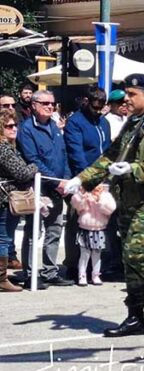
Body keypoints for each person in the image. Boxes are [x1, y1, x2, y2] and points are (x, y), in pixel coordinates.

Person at [59, 73, 144, 336]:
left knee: (135, 254)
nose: (126, 98)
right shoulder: (132, 124)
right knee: (130, 264)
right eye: (126, 93)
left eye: (132, 94)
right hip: (126, 200)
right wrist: (81, 179)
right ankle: (136, 316)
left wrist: (132, 169)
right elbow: (109, 157)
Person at [17, 90, 72, 287]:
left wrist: (65, 180)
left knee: (55, 229)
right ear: (34, 105)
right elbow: (33, 159)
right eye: (46, 103)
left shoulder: (55, 128)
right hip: (39, 187)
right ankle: (30, 273)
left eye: (53, 103)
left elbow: (63, 155)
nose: (50, 106)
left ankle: (50, 271)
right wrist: (56, 182)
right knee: (33, 232)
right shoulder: (26, 129)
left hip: (57, 186)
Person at [63, 87, 112, 277]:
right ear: (86, 101)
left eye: (101, 108)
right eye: (94, 107)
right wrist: (87, 179)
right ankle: (73, 265)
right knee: (78, 221)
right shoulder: (75, 121)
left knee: (102, 221)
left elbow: (107, 151)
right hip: (82, 178)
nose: (98, 111)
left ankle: (98, 266)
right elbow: (76, 153)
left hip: (103, 179)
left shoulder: (104, 122)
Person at [0, 108, 37, 292]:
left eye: (15, 125)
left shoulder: (9, 147)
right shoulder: (3, 149)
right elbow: (21, 173)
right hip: (6, 198)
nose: (13, 128)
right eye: (8, 126)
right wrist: (34, 167)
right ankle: (1, 279)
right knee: (4, 239)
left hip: (7, 197)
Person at [70, 185, 115, 286]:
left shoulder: (106, 195)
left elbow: (110, 209)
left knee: (97, 254)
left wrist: (99, 200)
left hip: (100, 228)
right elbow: (77, 206)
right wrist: (82, 195)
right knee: (84, 254)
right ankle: (81, 275)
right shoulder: (84, 194)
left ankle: (96, 274)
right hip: (85, 227)